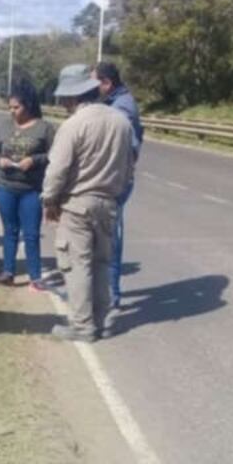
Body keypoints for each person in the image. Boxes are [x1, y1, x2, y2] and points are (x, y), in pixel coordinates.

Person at [42, 64, 134, 342]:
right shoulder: (121, 122)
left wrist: (49, 201)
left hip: (77, 203)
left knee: (77, 265)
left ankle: (83, 326)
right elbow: (129, 167)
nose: (63, 104)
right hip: (109, 202)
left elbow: (57, 170)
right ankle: (102, 320)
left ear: (72, 96)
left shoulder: (73, 125)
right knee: (102, 263)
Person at [0, 80, 58, 291]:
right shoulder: (4, 127)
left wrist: (34, 160)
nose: (12, 111)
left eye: (16, 107)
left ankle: (35, 276)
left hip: (31, 190)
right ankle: (8, 271)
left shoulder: (44, 128)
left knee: (31, 234)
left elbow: (55, 155)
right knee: (10, 230)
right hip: (5, 188)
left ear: (28, 105)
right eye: (10, 107)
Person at [95, 62, 143, 309]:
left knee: (110, 234)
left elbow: (130, 146)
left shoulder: (121, 107)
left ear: (107, 83)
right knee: (106, 232)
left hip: (117, 180)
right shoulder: (115, 102)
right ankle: (107, 291)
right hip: (116, 177)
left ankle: (111, 293)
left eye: (95, 82)